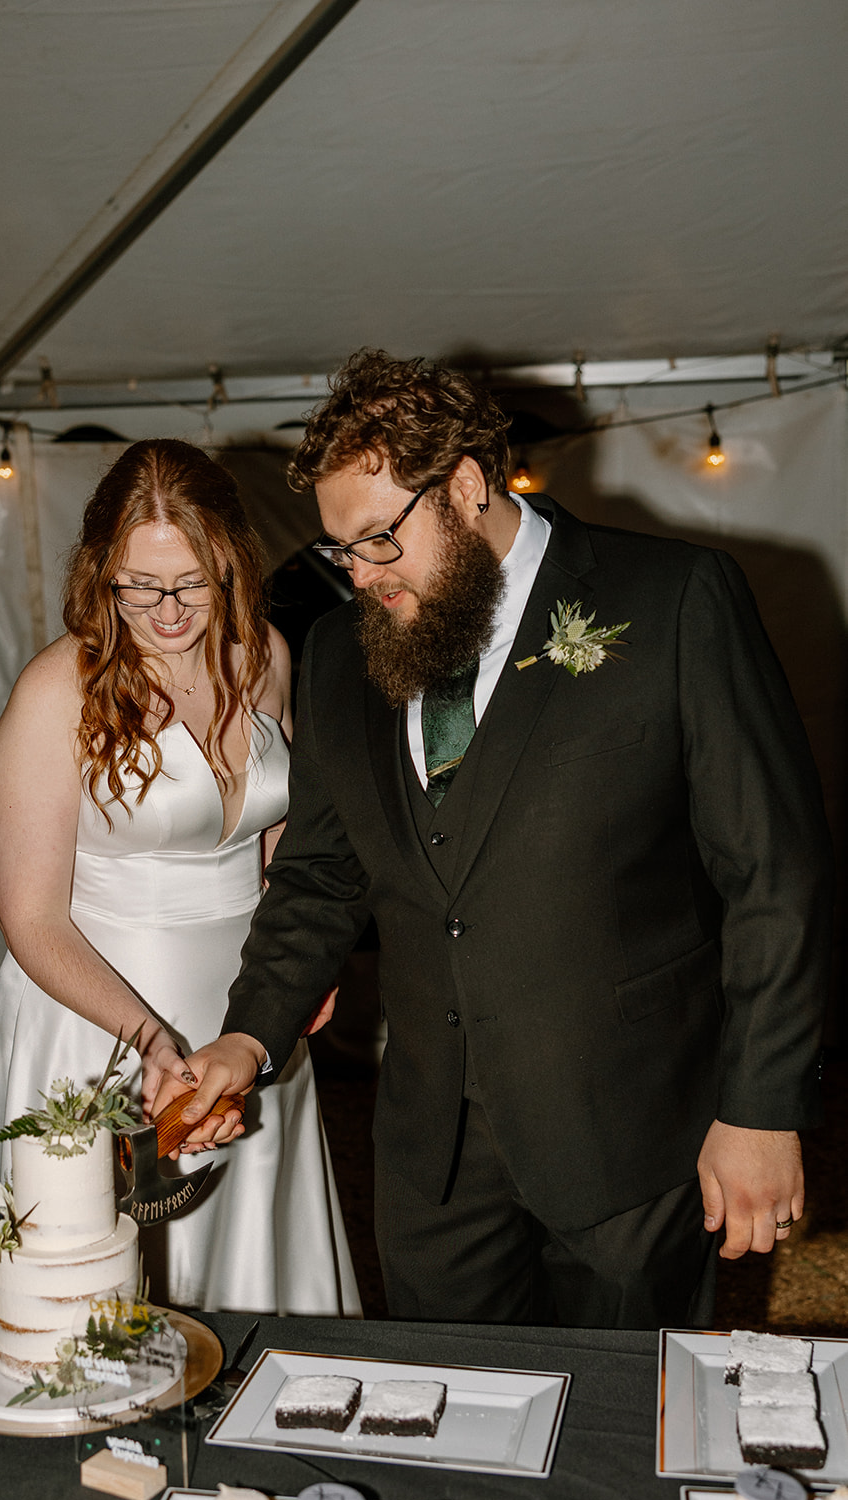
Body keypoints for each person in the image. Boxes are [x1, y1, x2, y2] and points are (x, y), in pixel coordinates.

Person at [158, 349, 833, 1329]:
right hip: (431, 1155)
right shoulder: (338, 661)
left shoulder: (673, 598)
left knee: (616, 1430)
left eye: (379, 540)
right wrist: (248, 1031)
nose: (361, 574)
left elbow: (773, 874)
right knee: (450, 1413)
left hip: (627, 1133)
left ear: (465, 485)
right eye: (340, 551)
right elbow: (318, 877)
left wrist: (761, 1107)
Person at [0, 438, 359, 1317]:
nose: (165, 609)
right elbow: (32, 915)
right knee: (107, 1276)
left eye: (190, 581)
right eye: (136, 583)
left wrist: (301, 971)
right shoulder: (59, 690)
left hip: (245, 1005)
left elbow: (276, 842)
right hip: (100, 1018)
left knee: (248, 1249)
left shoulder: (263, 654)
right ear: (100, 572)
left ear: (229, 558)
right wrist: (152, 1042)